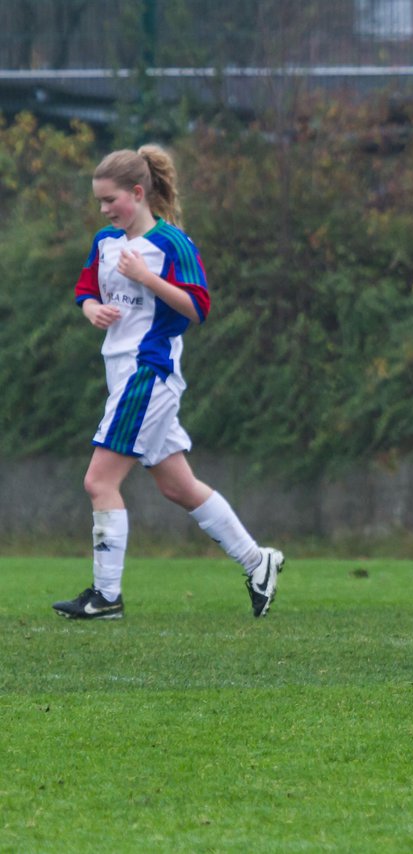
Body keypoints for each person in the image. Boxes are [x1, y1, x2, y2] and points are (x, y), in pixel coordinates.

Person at [54, 145, 284, 620]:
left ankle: (106, 597)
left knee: (98, 482)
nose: (103, 210)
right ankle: (258, 562)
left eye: (110, 200)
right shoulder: (104, 242)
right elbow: (85, 291)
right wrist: (91, 309)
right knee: (178, 486)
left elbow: (198, 307)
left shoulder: (173, 244)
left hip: (149, 373)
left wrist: (147, 278)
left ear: (137, 194)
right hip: (121, 375)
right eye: (99, 202)